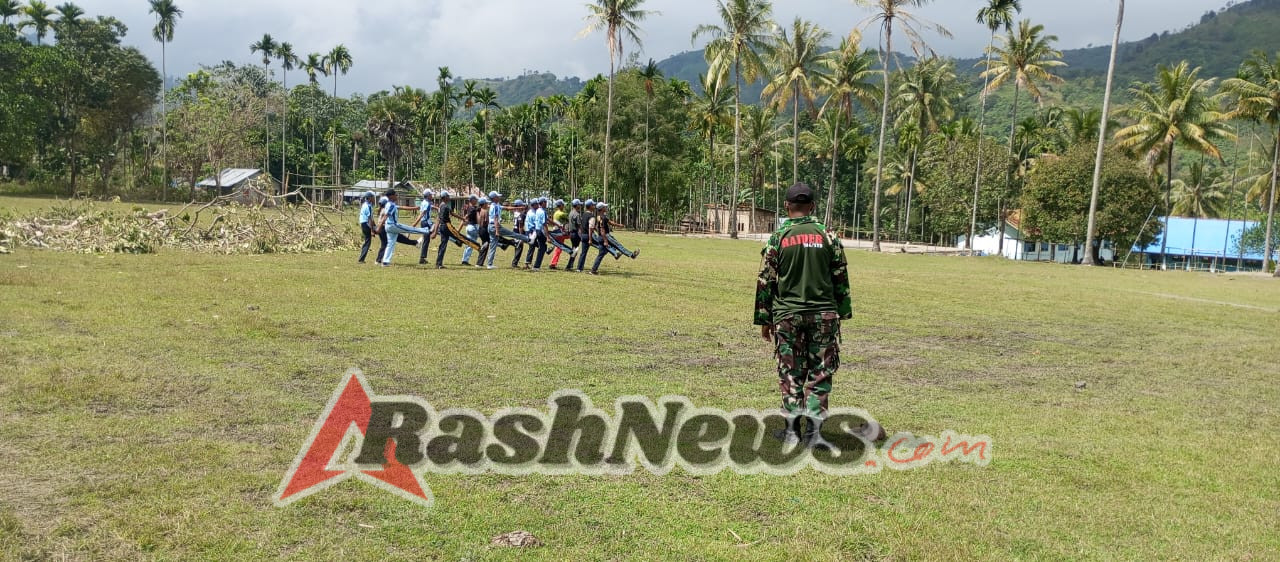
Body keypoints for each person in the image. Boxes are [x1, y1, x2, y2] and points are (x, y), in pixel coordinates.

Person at [753, 182, 868, 447]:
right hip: (823, 315)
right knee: (820, 373)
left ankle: (792, 432)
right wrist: (842, 312)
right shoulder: (829, 236)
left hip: (787, 316)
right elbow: (841, 277)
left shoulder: (778, 238)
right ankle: (814, 434)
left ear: (786, 207)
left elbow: (765, 281)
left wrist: (764, 319)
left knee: (791, 372)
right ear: (813, 207)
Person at [378, 189, 434, 267]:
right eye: (395, 194)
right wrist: (379, 228)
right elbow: (385, 216)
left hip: (388, 226)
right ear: (391, 196)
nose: (396, 196)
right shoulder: (391, 205)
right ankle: (427, 231)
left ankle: (385, 262)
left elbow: (402, 207)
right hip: (393, 225)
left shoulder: (389, 204)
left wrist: (415, 208)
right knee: (410, 229)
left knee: (390, 244)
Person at [432, 191, 457, 269]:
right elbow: (439, 219)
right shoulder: (444, 207)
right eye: (448, 196)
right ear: (445, 197)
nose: (449, 197)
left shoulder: (441, 206)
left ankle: (438, 263)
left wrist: (463, 218)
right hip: (445, 226)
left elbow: (451, 214)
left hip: (443, 227)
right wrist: (435, 232)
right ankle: (439, 264)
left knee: (443, 244)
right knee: (444, 244)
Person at [525, 197, 549, 271]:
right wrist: (547, 235)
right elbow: (544, 224)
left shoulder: (536, 211)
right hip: (533, 231)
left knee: (539, 246)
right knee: (535, 246)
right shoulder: (535, 213)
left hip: (534, 231)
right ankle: (533, 264)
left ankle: (532, 263)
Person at [548, 199, 573, 270]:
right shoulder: (562, 214)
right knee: (559, 248)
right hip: (560, 232)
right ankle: (553, 263)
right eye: (563, 204)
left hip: (557, 231)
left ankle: (553, 263)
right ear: (561, 205)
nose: (564, 206)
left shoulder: (556, 213)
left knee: (558, 248)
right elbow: (569, 219)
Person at [414, 189, 436, 265]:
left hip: (424, 222)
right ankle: (419, 241)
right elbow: (422, 213)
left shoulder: (424, 202)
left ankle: (422, 258)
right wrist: (414, 224)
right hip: (427, 223)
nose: (432, 196)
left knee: (427, 239)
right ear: (427, 196)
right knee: (435, 227)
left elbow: (430, 207)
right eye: (431, 195)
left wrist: (436, 208)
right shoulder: (427, 203)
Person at [484, 191, 504, 269]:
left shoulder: (493, 205)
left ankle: (489, 263)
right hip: (494, 226)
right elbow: (495, 219)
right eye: (497, 196)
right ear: (494, 198)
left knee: (493, 245)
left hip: (491, 225)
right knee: (512, 234)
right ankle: (527, 239)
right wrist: (497, 230)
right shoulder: (495, 206)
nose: (499, 198)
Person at [575, 200, 596, 272]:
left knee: (583, 253)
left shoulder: (583, 214)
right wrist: (590, 239)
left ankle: (579, 268)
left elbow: (581, 226)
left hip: (583, 235)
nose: (594, 206)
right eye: (593, 205)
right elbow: (590, 229)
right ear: (590, 206)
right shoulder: (591, 216)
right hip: (588, 236)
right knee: (602, 248)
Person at [461, 194, 481, 266]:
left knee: (469, 244)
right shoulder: (473, 209)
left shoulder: (469, 208)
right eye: (475, 199)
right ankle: (481, 257)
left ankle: (465, 260)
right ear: (472, 200)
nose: (476, 201)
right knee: (476, 243)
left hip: (469, 227)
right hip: (473, 227)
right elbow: (467, 216)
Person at [357, 191, 376, 264]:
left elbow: (371, 218)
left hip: (363, 223)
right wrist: (372, 230)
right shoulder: (368, 206)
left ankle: (361, 259)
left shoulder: (365, 204)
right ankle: (361, 259)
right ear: (370, 198)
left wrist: (374, 226)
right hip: (366, 224)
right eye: (373, 197)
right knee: (367, 242)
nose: (374, 199)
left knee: (367, 241)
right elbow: (369, 219)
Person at [509, 199, 528, 268]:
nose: (523, 206)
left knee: (517, 247)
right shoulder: (521, 214)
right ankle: (514, 263)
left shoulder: (515, 212)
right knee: (519, 247)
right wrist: (521, 236)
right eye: (522, 205)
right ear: (519, 206)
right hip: (518, 232)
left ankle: (515, 263)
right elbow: (520, 226)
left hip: (514, 231)